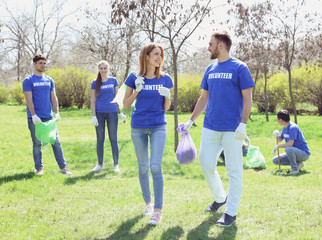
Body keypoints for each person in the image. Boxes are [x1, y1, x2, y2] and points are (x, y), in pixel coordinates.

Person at [182, 31, 255, 227]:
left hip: (233, 128)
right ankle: (220, 197)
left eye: (211, 44)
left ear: (221, 45)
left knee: (234, 170)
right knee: (206, 164)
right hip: (210, 126)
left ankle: (231, 212)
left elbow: (248, 97)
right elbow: (204, 97)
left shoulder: (240, 67)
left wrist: (243, 123)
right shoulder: (210, 69)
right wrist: (191, 121)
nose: (208, 47)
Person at [123, 43, 173, 225]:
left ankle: (158, 210)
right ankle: (148, 204)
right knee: (143, 167)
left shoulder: (165, 78)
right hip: (138, 127)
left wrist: (167, 96)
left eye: (161, 55)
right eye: (155, 54)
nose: (159, 58)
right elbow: (126, 104)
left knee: (155, 166)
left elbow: (166, 107)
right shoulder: (133, 78)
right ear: (146, 56)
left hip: (158, 125)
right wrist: (136, 90)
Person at [23, 54, 72, 175]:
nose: (43, 65)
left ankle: (63, 168)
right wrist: (33, 115)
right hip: (35, 118)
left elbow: (53, 97)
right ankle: (39, 169)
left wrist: (57, 112)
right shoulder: (28, 80)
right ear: (34, 64)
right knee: (37, 143)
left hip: (49, 117)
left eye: (45, 63)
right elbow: (28, 99)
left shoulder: (49, 80)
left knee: (56, 142)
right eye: (40, 63)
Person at [90, 60, 124, 173]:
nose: (103, 70)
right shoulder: (94, 82)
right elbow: (93, 100)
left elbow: (117, 97)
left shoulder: (113, 81)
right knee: (100, 139)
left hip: (112, 113)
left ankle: (116, 165)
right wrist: (93, 115)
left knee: (113, 138)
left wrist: (121, 112)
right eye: (101, 68)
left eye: (105, 68)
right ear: (99, 70)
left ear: (108, 69)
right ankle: (99, 164)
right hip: (99, 113)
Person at [272, 110, 310, 175]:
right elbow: (280, 139)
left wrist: (278, 146)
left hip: (303, 154)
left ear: (281, 120)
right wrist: (277, 135)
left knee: (288, 149)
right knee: (275, 160)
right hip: (293, 152)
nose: (277, 121)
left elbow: (290, 143)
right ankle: (298, 164)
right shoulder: (285, 127)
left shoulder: (293, 127)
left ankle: (294, 169)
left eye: (277, 119)